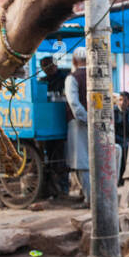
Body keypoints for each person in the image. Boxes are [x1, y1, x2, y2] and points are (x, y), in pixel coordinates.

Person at [40, 56, 71, 199]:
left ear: (55, 66)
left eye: (48, 66)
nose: (46, 69)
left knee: (61, 157)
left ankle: (64, 188)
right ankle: (51, 189)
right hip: (46, 123)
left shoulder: (66, 78)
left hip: (61, 121)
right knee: (48, 157)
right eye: (44, 67)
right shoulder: (42, 82)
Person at [65, 47, 90, 205]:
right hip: (95, 122)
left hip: (79, 123)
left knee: (82, 162)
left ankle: (89, 198)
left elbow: (74, 103)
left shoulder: (72, 78)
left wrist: (86, 119)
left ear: (74, 61)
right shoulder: (97, 75)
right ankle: (90, 195)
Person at [114, 92, 129, 184]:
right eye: (120, 100)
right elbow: (112, 132)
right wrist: (123, 141)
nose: (122, 103)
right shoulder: (113, 112)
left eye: (125, 100)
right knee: (123, 149)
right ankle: (121, 180)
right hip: (117, 140)